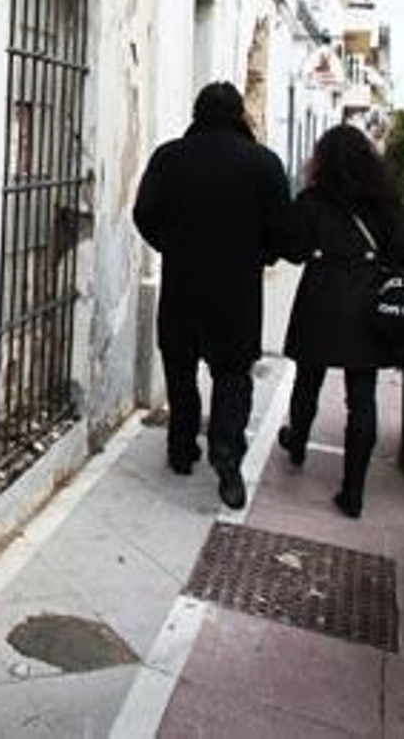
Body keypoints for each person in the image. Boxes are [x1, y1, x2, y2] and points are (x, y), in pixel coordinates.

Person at [133, 81, 293, 509]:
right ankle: (226, 456)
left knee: (181, 369)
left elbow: (144, 214)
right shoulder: (263, 164)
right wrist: (259, 254)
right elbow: (283, 232)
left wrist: (173, 245)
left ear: (197, 112)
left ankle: (182, 449)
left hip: (183, 283)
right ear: (240, 114)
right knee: (232, 375)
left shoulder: (170, 158)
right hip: (237, 292)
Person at [277, 124, 404, 518]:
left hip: (322, 298)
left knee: (308, 378)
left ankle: (298, 442)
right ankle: (353, 491)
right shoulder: (384, 202)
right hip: (367, 302)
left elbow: (293, 249)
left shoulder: (313, 200)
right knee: (362, 396)